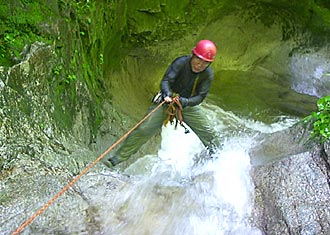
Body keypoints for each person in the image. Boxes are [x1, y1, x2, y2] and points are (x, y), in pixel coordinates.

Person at [105, 39, 218, 167]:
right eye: (198, 60)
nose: (200, 65)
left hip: (186, 104)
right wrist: (167, 94)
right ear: (193, 55)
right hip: (166, 100)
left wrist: (185, 102)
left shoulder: (207, 74)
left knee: (208, 132)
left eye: (205, 63)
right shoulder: (181, 63)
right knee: (144, 129)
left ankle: (218, 158)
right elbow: (166, 81)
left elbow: (200, 97)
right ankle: (115, 160)